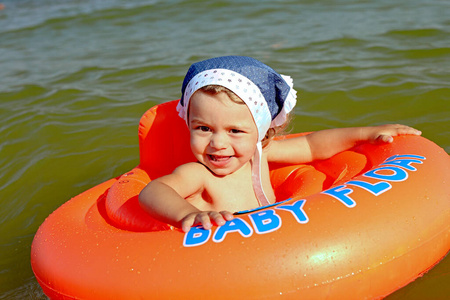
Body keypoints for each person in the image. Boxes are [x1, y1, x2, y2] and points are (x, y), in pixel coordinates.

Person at [139, 56, 421, 233]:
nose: (218, 143)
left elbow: (311, 146)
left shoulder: (259, 153)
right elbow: (154, 191)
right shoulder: (197, 173)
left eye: (235, 130)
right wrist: (189, 214)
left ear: (262, 132)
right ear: (188, 123)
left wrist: (364, 132)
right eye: (203, 128)